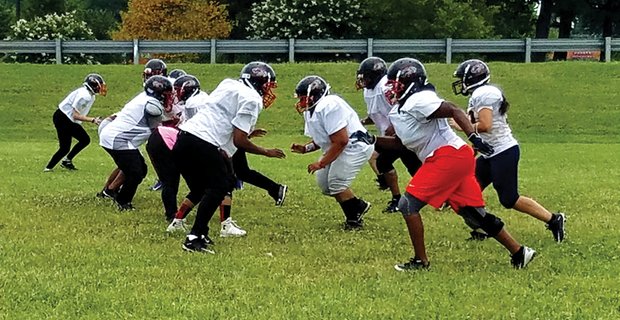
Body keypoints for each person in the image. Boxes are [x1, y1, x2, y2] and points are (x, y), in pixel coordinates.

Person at [377, 57, 536, 270]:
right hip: (453, 157)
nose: (393, 90)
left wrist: (473, 136)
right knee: (472, 213)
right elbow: (399, 144)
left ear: (412, 83)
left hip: (447, 156)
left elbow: (453, 109)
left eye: (398, 85)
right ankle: (519, 252)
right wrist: (371, 139)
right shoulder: (400, 110)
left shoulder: (420, 99)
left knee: (407, 205)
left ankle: (420, 261)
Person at [173, 61, 284, 253]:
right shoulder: (252, 99)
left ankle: (200, 231)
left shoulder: (228, 84)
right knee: (220, 186)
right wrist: (266, 151)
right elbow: (239, 140)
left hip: (184, 138)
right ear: (260, 82)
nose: (268, 90)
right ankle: (193, 237)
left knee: (207, 187)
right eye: (267, 85)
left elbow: (222, 121)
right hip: (203, 142)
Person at [451, 59, 566, 242]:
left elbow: (486, 125)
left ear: (471, 78)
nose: (460, 83)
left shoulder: (484, 93)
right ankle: (482, 229)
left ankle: (554, 219)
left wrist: (460, 126)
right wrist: (474, 149)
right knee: (464, 192)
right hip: (490, 152)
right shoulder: (481, 94)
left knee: (509, 199)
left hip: (503, 152)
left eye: (462, 79)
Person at [291, 75, 374, 229]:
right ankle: (358, 206)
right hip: (339, 146)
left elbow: (342, 140)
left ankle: (353, 220)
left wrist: (321, 163)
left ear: (316, 95)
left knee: (337, 183)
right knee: (325, 185)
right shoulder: (311, 111)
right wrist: (305, 148)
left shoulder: (329, 104)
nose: (302, 102)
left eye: (304, 98)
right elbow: (323, 138)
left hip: (355, 145)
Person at [356, 57, 422, 213]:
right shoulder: (369, 90)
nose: (363, 81)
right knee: (383, 161)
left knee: (413, 168)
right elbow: (377, 113)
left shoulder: (386, 87)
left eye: (366, 77)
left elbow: (401, 108)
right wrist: (362, 122)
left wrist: (395, 126)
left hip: (400, 134)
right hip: (389, 136)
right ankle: (397, 197)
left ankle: (442, 195)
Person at [99, 75, 173, 211]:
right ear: (159, 94)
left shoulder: (144, 98)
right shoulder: (152, 104)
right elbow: (156, 129)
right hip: (119, 139)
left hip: (116, 136)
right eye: (166, 94)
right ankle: (123, 201)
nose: (169, 97)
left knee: (138, 169)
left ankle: (110, 192)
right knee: (135, 172)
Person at [44, 74, 107, 172]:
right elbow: (75, 115)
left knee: (83, 140)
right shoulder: (85, 96)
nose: (100, 88)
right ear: (93, 85)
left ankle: (64, 161)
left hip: (65, 117)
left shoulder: (88, 94)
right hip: (63, 118)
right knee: (68, 146)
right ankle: (50, 167)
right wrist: (93, 120)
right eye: (99, 86)